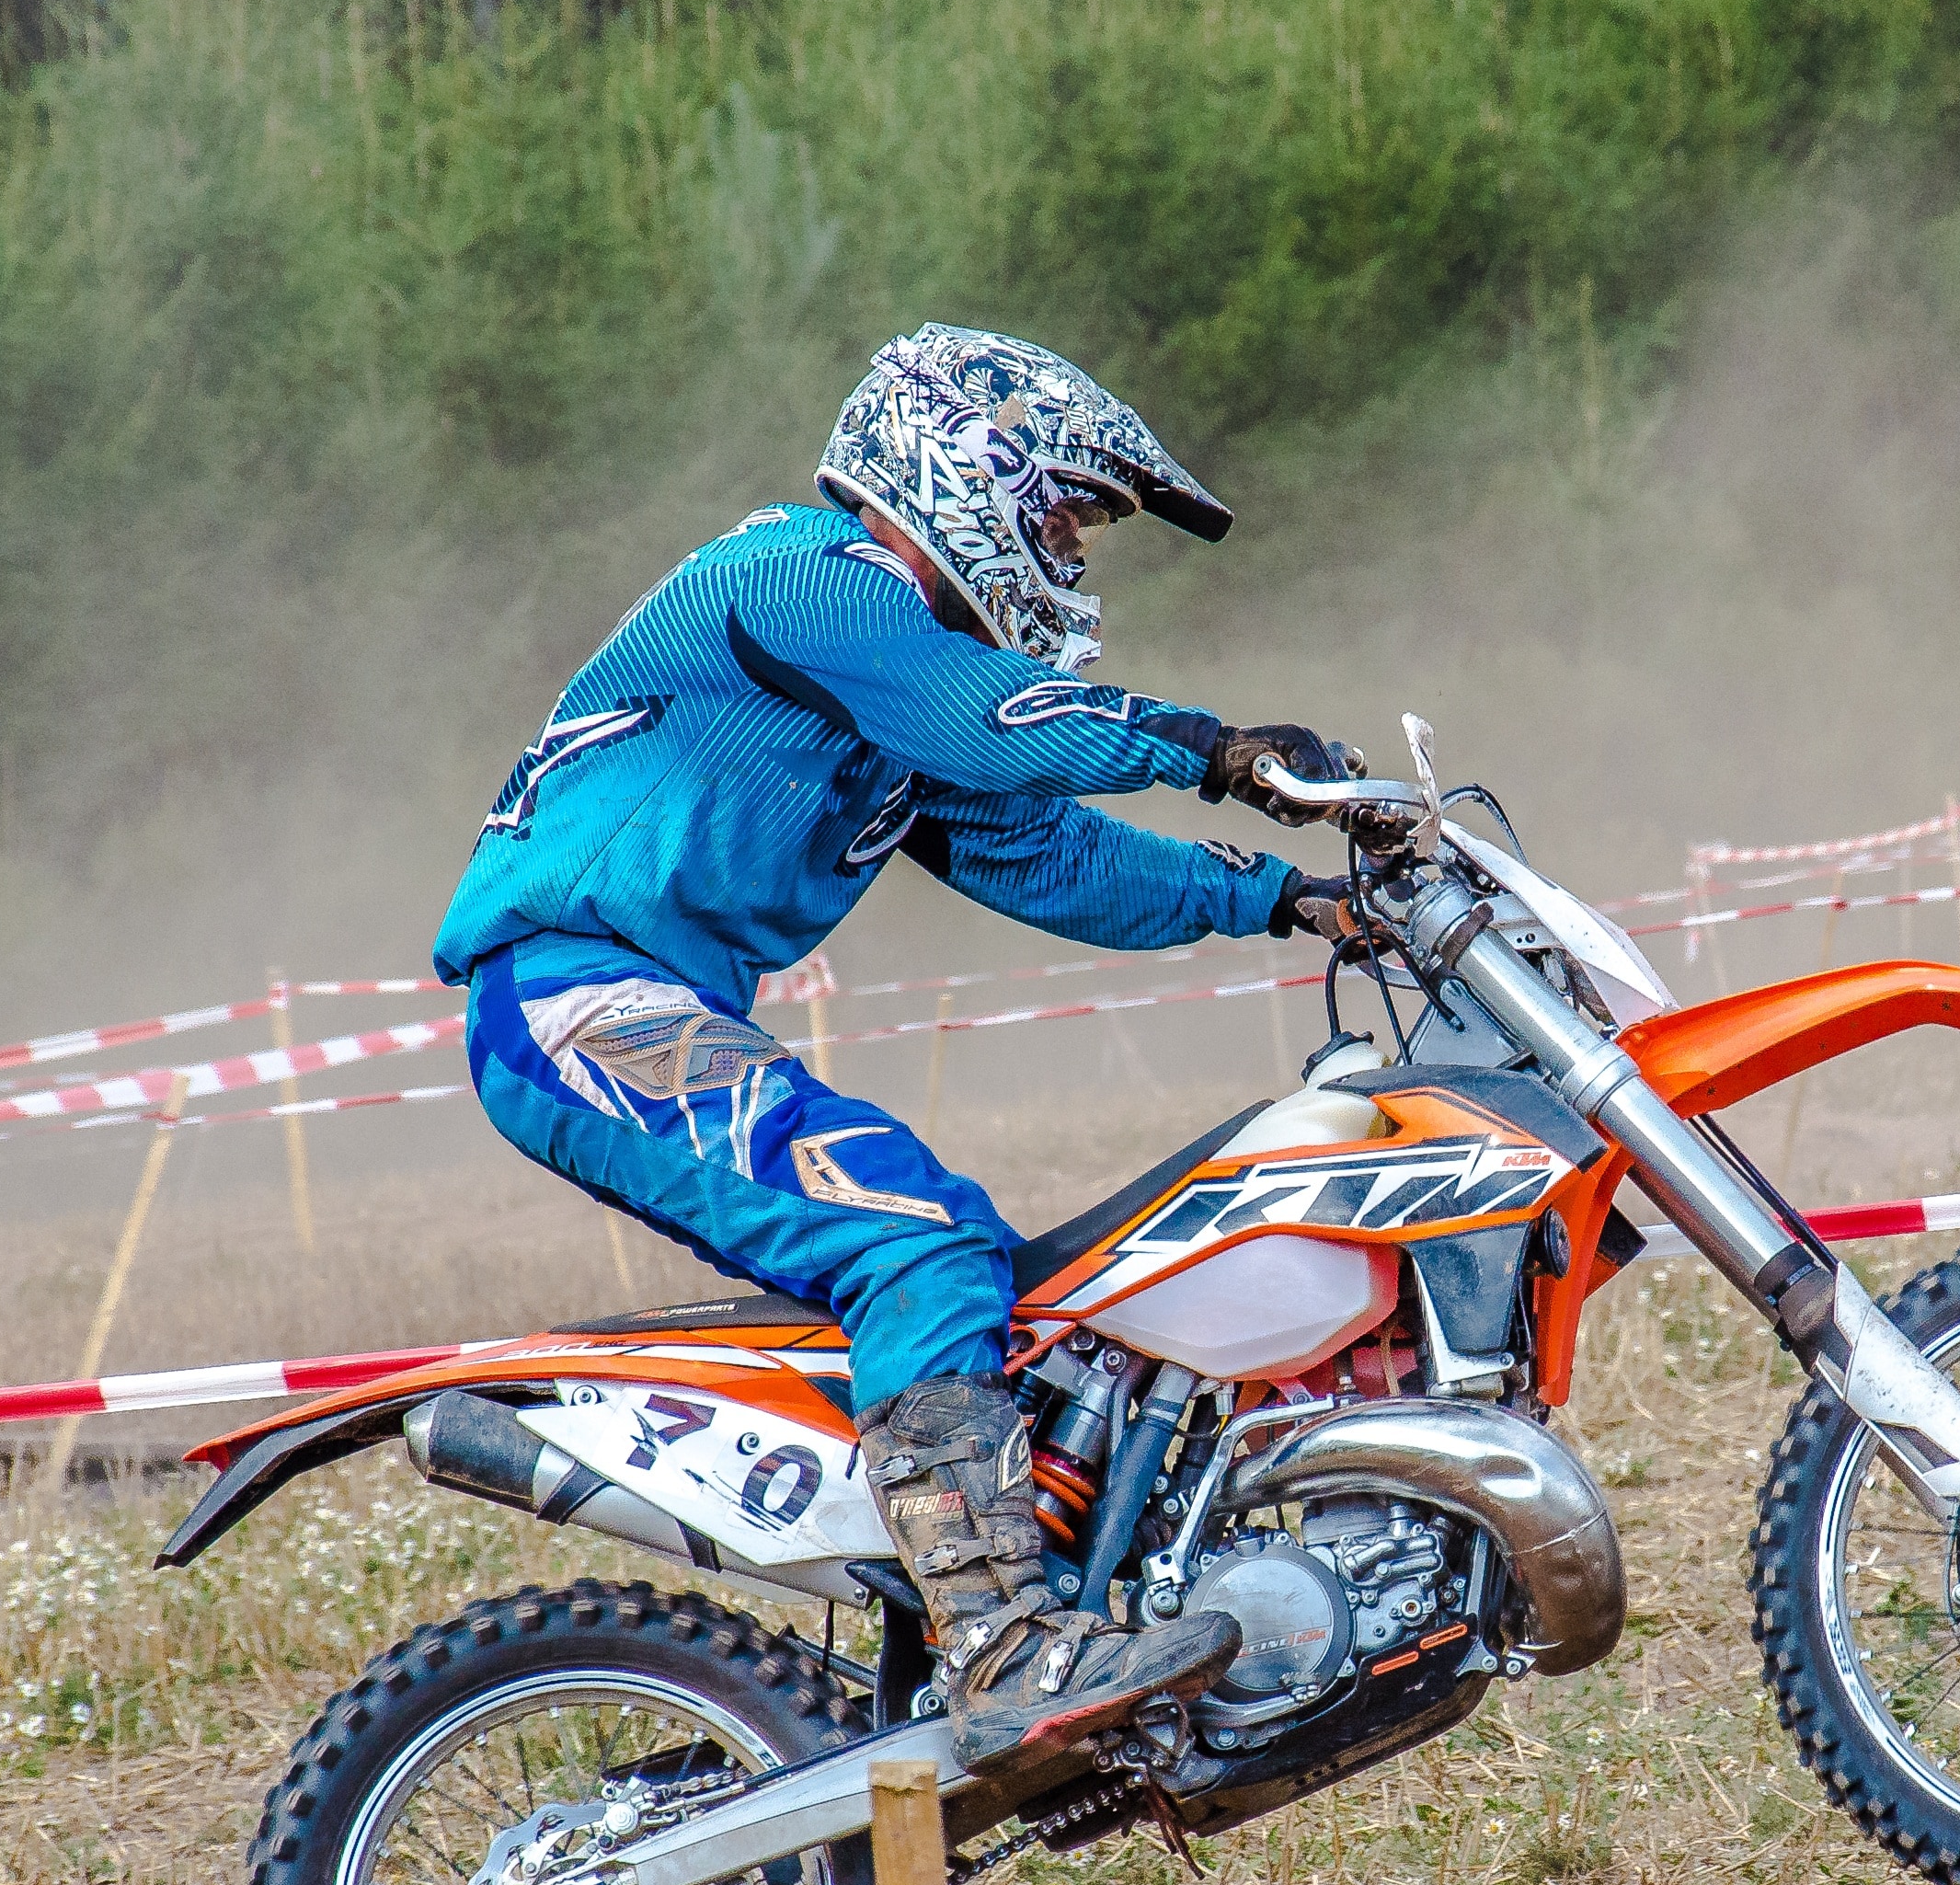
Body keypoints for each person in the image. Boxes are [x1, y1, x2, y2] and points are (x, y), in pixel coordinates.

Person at [431, 325, 1354, 1770]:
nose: (1070, 555)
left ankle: (987, 1587)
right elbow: (992, 726)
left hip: (632, 1004)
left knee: (971, 1244)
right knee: (917, 1240)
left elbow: (1046, 859)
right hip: (568, 996)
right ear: (959, 465)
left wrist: (1285, 902)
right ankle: (1005, 1640)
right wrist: (1208, 746)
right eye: (1063, 514)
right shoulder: (797, 581)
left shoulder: (899, 679)